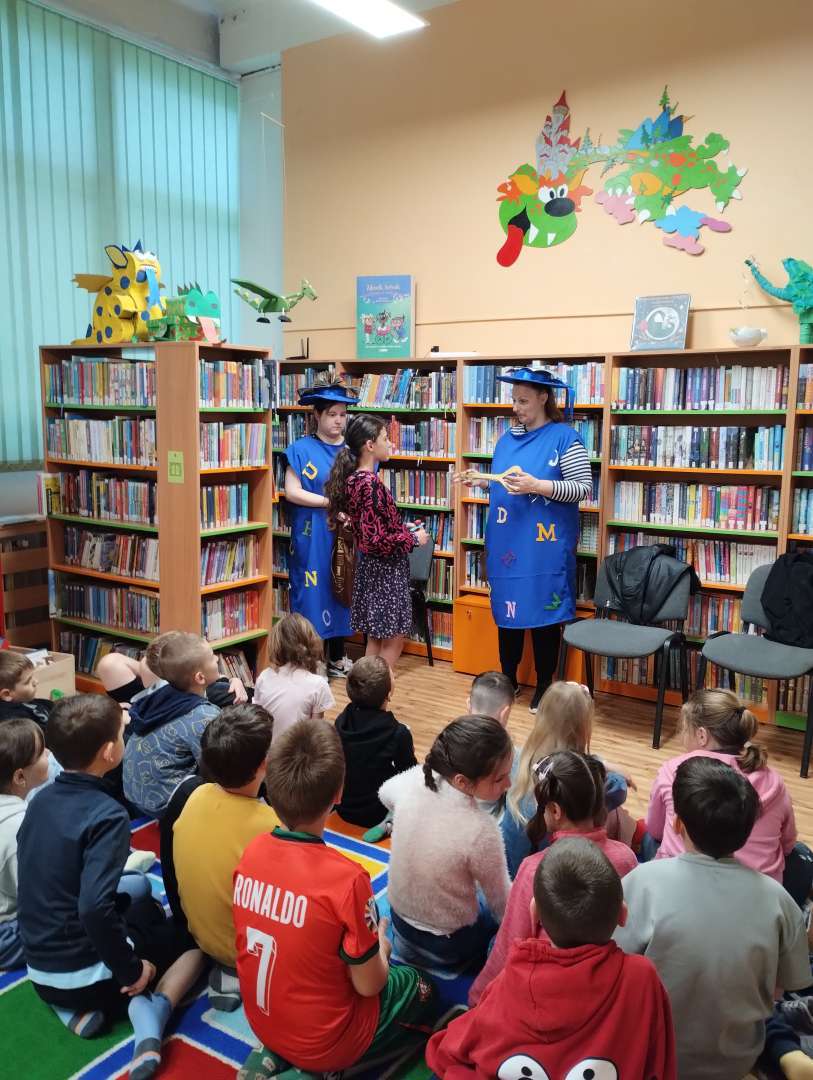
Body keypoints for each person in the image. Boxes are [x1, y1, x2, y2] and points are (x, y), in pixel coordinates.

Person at [16, 695, 205, 1079]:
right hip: (89, 976)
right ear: (108, 752)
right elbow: (93, 908)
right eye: (121, 736)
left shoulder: (39, 801)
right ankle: (154, 1012)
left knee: (138, 892)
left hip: (40, 972)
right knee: (195, 941)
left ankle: (75, 1010)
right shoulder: (107, 814)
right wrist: (132, 971)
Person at [233, 718, 435, 1076]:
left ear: (269, 786)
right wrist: (382, 947)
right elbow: (370, 985)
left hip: (260, 1019)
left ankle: (276, 1051)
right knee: (424, 988)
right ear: (339, 793)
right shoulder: (347, 879)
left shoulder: (250, 852)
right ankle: (314, 1070)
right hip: (329, 1040)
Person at [615, 756, 812, 1080]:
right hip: (737, 1060)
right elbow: (784, 987)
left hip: (653, 1056)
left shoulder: (641, 882)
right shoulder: (779, 900)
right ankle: (787, 1053)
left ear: (678, 825)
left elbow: (613, 961)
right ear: (747, 832)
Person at [427, 838, 676, 1079]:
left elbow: (450, 1049)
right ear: (623, 914)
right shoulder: (642, 978)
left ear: (534, 912)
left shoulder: (510, 980)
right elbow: (659, 1064)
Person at [455, 367, 592, 712]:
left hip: (545, 544)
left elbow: (582, 488)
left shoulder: (565, 437)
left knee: (544, 609)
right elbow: (505, 482)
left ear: (544, 398)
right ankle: (508, 679)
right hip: (508, 539)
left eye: (524, 400)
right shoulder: (506, 440)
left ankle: (545, 682)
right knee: (508, 608)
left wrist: (537, 485)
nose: (516, 407)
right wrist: (482, 480)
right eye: (514, 400)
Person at [470, 749, 637, 1005]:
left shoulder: (534, 869)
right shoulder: (626, 857)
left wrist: (478, 998)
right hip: (607, 977)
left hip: (547, 984)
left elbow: (511, 942)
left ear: (555, 810)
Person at [645, 688, 812, 906]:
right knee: (801, 854)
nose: (682, 737)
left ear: (702, 735)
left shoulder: (672, 770)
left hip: (680, 891)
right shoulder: (773, 780)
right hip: (756, 898)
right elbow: (787, 844)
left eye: (684, 730)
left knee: (650, 839)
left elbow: (655, 830)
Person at [379, 715, 513, 975]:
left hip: (399, 922)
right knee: (498, 905)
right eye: (499, 779)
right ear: (462, 781)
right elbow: (502, 906)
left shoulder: (414, 780)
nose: (508, 784)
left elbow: (385, 793)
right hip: (446, 945)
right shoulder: (481, 830)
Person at [170, 704, 278, 1012]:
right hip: (245, 948)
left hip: (199, 934)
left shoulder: (195, 795)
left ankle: (228, 969)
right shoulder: (271, 826)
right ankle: (242, 970)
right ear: (265, 763)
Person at [325, 413, 429, 669]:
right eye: (385, 438)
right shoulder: (370, 484)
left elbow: (367, 527)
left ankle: (365, 688)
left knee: (375, 637)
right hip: (386, 573)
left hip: (371, 570)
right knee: (393, 641)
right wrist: (413, 538)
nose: (390, 443)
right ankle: (378, 687)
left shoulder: (353, 480)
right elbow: (375, 540)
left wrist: (399, 528)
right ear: (370, 445)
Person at [501, 681, 635, 873]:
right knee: (620, 817)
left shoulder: (519, 761)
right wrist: (603, 764)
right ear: (583, 729)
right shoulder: (589, 780)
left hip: (518, 870)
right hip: (565, 869)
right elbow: (620, 788)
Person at [284, 379, 360, 679]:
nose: (338, 421)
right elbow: (292, 491)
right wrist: (330, 503)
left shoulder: (354, 451)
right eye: (332, 414)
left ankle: (337, 658)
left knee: (341, 585)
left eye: (343, 414)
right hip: (312, 531)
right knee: (312, 593)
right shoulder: (300, 449)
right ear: (317, 415)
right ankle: (312, 662)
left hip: (344, 531)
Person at [122, 631, 221, 816]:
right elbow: (217, 768)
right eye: (212, 657)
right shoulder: (204, 716)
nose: (216, 659)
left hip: (133, 795)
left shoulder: (158, 696)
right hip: (164, 806)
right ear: (200, 678)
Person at [334, 655, 416, 828]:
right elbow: (410, 776)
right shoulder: (398, 734)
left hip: (344, 807)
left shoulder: (341, 722)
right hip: (378, 813)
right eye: (392, 675)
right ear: (388, 693)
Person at [0, 718, 51, 969]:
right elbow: (43, 900)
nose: (49, 754)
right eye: (41, 752)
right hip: (7, 935)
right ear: (20, 776)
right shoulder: (20, 827)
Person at [95, 636, 247, 708]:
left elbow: (110, 662)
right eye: (212, 656)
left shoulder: (140, 707)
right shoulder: (216, 693)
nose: (217, 658)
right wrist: (234, 681)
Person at [253, 612, 334, 742]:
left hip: (266, 749)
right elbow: (315, 733)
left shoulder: (264, 676)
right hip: (296, 751)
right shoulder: (318, 684)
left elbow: (257, 718)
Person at [0, 651, 53, 730]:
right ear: (6, 694)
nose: (36, 682)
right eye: (28, 681)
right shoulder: (16, 723)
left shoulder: (22, 699)